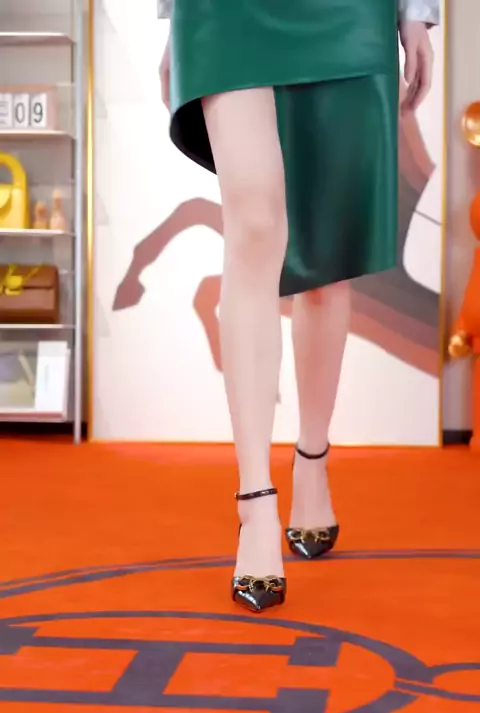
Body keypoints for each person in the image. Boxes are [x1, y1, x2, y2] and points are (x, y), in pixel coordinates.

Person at [158, 0, 440, 612]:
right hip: (221, 14)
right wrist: (172, 21)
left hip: (347, 13)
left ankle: (312, 456)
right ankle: (255, 502)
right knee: (255, 227)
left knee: (324, 258)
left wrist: (416, 10)